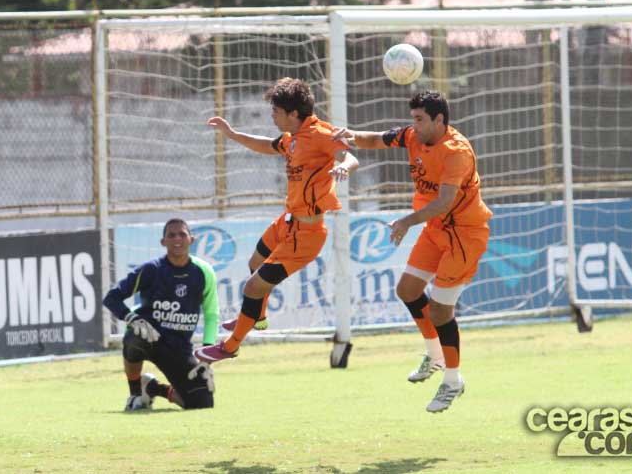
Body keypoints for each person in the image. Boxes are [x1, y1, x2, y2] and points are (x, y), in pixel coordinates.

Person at [333, 91, 492, 413]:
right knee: (407, 289)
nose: (413, 125)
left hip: (464, 235)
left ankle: (452, 380)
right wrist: (350, 135)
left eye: (420, 119)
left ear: (439, 120)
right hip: (436, 229)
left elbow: (445, 201)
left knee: (439, 311)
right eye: (413, 118)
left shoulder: (456, 151)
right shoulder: (412, 136)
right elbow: (377, 139)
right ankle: (434, 354)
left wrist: (407, 221)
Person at [194, 77, 359, 363]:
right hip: (288, 221)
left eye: (276, 111)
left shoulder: (320, 134)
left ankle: (230, 346)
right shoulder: (292, 138)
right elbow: (266, 145)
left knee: (253, 287)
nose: (272, 116)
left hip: (306, 234)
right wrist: (231, 133)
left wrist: (343, 168)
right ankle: (258, 315)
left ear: (293, 113)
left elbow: (350, 157)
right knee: (255, 264)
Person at [103, 218, 219, 411]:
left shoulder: (203, 272)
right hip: (149, 337)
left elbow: (212, 314)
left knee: (202, 403)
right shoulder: (152, 269)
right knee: (136, 334)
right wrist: (131, 318)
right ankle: (135, 395)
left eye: (182, 234)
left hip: (178, 348)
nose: (177, 239)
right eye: (171, 235)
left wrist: (206, 356)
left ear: (191, 239)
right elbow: (112, 297)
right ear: (163, 242)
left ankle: (153, 388)